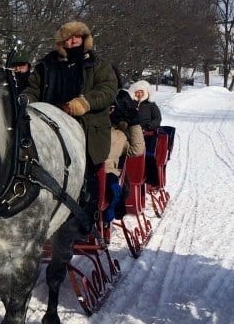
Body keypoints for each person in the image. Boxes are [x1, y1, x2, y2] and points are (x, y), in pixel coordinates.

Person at [23, 20, 118, 223]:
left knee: (87, 176)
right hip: (49, 125)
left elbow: (108, 90)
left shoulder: (98, 64)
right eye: (69, 37)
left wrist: (85, 102)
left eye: (77, 37)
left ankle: (86, 219)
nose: (73, 41)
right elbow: (32, 89)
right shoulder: (46, 65)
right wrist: (24, 103)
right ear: (62, 41)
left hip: (87, 128)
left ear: (85, 39)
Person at [103, 89, 145, 226]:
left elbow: (137, 149)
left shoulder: (120, 135)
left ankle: (109, 211)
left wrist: (134, 123)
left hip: (107, 173)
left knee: (112, 185)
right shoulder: (91, 128)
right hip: (84, 170)